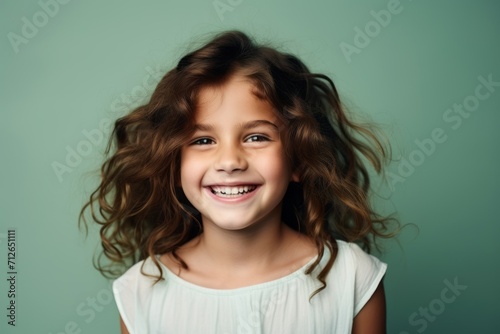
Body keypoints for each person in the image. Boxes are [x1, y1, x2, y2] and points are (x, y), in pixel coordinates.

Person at [80, 30, 397, 333]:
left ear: (299, 158)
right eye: (203, 141)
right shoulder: (140, 292)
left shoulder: (353, 277)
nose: (230, 161)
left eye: (256, 137)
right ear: (172, 164)